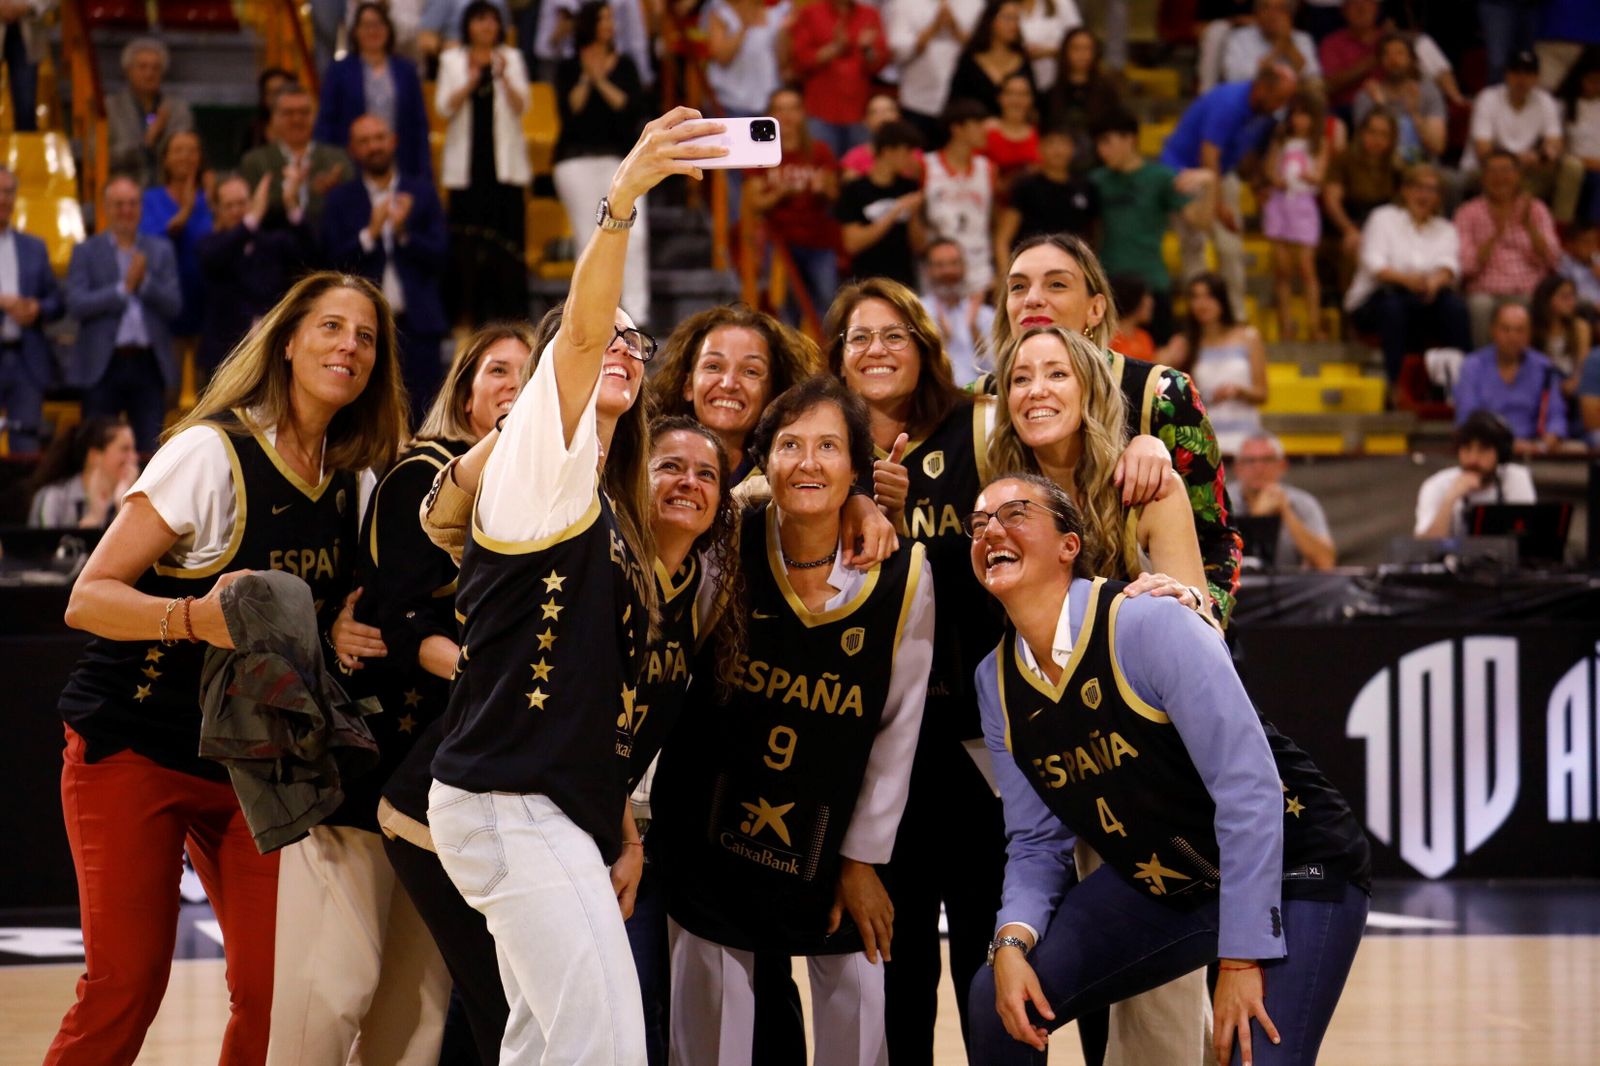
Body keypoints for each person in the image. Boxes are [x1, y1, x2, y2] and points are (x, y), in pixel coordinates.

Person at [423, 106, 725, 1066]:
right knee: (602, 1047)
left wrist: (615, 825)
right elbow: (584, 338)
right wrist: (620, 205)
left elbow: (601, 701)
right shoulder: (534, 462)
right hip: (508, 799)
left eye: (645, 342)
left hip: (551, 804)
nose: (626, 349)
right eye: (610, 339)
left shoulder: (603, 503)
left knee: (546, 1043)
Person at [45, 270, 407, 1066]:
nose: (349, 346)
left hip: (254, 766)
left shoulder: (359, 481)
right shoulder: (210, 454)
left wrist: (339, 622)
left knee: (280, 995)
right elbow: (88, 598)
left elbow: (320, 606)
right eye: (330, 327)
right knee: (127, 986)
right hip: (135, 745)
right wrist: (192, 619)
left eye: (367, 337)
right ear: (286, 342)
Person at [964, 471, 1370, 1066]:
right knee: (996, 1000)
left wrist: (1240, 958)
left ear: (1068, 546)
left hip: (1295, 863)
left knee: (1251, 1054)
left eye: (1015, 513)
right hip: (1172, 877)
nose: (990, 531)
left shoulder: (1148, 622)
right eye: (978, 524)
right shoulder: (994, 682)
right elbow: (1034, 843)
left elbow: (1250, 791)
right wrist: (1010, 942)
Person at [649, 374, 936, 1066]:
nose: (808, 462)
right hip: (711, 834)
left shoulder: (905, 575)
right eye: (790, 445)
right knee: (710, 1045)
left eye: (829, 447)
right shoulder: (725, 543)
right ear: (763, 459)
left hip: (835, 846)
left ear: (856, 467)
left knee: (856, 1036)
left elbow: (897, 731)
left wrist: (863, 858)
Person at [269, 324, 535, 1066]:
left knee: (420, 1008)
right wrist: (480, 672)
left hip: (452, 778)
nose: (513, 383)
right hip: (372, 762)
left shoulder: (547, 500)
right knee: (333, 989)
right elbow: (393, 611)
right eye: (496, 370)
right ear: (466, 388)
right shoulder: (427, 468)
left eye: (529, 371)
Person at [818, 277, 1003, 1064]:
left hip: (976, 739)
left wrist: (905, 530)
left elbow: (1001, 570)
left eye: (895, 334)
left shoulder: (979, 431)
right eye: (860, 337)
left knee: (990, 957)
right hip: (874, 747)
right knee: (896, 966)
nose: (877, 350)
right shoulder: (822, 449)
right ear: (837, 358)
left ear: (925, 348)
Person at [992, 234, 1243, 626]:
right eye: (1018, 286)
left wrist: (1203, 622)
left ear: (1096, 309)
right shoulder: (983, 403)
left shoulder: (1162, 394)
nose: (1032, 298)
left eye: (1056, 284)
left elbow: (1219, 540)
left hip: (1156, 645)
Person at [324, 113, 451, 418]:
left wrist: (405, 234)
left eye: (379, 138)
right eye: (364, 141)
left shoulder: (421, 192)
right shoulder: (341, 199)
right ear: (353, 149)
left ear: (393, 141)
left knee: (424, 414)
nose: (374, 147)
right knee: (364, 415)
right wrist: (370, 233)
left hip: (419, 325)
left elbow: (443, 255)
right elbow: (330, 264)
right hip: (366, 329)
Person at [1161, 62, 1299, 320]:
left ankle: (1235, 317)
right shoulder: (1229, 102)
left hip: (1221, 173)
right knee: (1195, 245)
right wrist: (1219, 206)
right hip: (1184, 173)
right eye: (1280, 98)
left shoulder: (1265, 113)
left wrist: (1258, 183)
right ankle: (1199, 319)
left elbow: (1243, 156)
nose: (1282, 105)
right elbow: (1209, 154)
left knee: (1231, 248)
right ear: (1263, 88)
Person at [65, 177, 182, 454]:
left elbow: (174, 305)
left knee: (150, 453)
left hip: (148, 365)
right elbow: (76, 304)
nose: (126, 211)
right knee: (97, 448)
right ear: (106, 207)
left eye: (132, 204)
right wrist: (122, 290)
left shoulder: (160, 250)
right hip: (102, 365)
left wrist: (144, 284)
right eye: (119, 205)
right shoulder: (86, 251)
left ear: (140, 208)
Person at [436, 0, 530, 328]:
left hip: (503, 167)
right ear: (468, 26)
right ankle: (467, 317)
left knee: (506, 242)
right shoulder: (451, 60)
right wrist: (470, 81)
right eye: (480, 21)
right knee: (466, 243)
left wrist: (503, 77)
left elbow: (523, 106)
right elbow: (444, 107)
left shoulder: (512, 58)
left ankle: (510, 318)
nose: (487, 27)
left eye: (492, 21)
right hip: (468, 166)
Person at [553, 2, 648, 324]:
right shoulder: (568, 66)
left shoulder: (626, 65)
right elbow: (571, 110)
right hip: (575, 160)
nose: (610, 23)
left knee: (635, 235)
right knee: (589, 237)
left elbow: (629, 108)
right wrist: (586, 78)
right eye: (603, 18)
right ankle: (592, 316)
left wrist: (600, 79)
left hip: (620, 160)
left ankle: (636, 314)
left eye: (611, 18)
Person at [645, 302, 820, 474]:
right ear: (688, 385)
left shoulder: (787, 481)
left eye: (750, 372)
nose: (729, 384)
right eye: (713, 366)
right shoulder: (643, 470)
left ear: (773, 394)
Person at [1344, 163, 1472, 384]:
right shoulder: (1383, 218)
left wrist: (1434, 282)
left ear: (1439, 197)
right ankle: (1396, 385)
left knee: (1455, 309)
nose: (1424, 195)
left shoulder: (1445, 229)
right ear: (1405, 190)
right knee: (1393, 308)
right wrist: (1407, 280)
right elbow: (1375, 264)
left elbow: (1449, 265)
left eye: (1432, 190)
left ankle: (1463, 384)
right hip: (1378, 298)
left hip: (1424, 297)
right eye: (1419, 188)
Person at [1091, 109, 1205, 347]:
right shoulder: (1096, 181)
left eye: (1108, 142)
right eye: (1099, 145)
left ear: (1130, 139)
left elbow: (1199, 221)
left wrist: (1211, 184)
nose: (1103, 151)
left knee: (1159, 366)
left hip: (1151, 283)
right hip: (1109, 284)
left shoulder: (1160, 177)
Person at [196, 174, 314, 373]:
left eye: (241, 203)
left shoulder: (275, 243)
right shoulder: (209, 246)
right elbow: (216, 258)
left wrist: (292, 205)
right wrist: (250, 221)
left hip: (272, 353)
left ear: (252, 202)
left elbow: (311, 255)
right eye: (229, 205)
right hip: (224, 358)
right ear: (216, 209)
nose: (236, 211)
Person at [744, 88, 842, 327]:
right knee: (785, 306)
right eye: (780, 109)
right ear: (770, 115)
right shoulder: (760, 153)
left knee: (829, 303)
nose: (787, 115)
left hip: (818, 239)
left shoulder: (820, 150)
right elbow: (756, 203)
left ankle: (828, 357)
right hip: (780, 241)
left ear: (802, 113)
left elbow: (834, 194)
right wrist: (782, 192)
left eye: (793, 108)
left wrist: (823, 189)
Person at [1455, 150, 1563, 346]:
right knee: (1479, 306)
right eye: (1493, 171)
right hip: (1484, 289)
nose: (1500, 178)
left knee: (1524, 305)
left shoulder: (1535, 208)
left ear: (1518, 175)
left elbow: (1554, 260)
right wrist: (1495, 233)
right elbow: (1465, 267)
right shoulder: (1467, 212)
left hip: (1526, 289)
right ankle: (1484, 367)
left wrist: (1530, 228)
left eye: (1506, 171)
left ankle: (1522, 369)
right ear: (1483, 177)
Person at [315, 2, 433, 180]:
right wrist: (326, 165)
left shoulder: (406, 70)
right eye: (366, 25)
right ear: (355, 31)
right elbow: (326, 122)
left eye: (378, 24)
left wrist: (424, 171)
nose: (373, 31)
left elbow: (419, 124)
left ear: (388, 29)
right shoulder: (339, 71)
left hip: (401, 162)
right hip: (350, 165)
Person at [1466, 49, 1581, 224]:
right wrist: (1518, 161)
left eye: (1528, 73)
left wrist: (1541, 155)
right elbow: (1483, 152)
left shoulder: (1545, 100)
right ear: (1506, 74)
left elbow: (1554, 145)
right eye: (1516, 72)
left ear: (1536, 77)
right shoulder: (1488, 98)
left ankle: (1560, 228)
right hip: (1488, 170)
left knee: (1572, 166)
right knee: (1504, 174)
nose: (1522, 79)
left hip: (1527, 171)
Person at [0, 165, 63, 453]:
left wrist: (37, 308)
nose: (4, 199)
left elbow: (57, 301)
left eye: (9, 192)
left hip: (26, 361)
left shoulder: (34, 247)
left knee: (26, 453)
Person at [239, 82, 352, 234]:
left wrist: (332, 192)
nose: (297, 120)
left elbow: (352, 203)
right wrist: (297, 192)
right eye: (289, 113)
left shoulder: (337, 158)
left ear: (314, 115)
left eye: (304, 112)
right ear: (274, 118)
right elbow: (253, 211)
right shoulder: (254, 161)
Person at [1453, 302, 1568, 451]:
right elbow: (1466, 418)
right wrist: (1502, 445)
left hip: (1532, 448)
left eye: (1520, 330)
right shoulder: (1472, 366)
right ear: (1492, 331)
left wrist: (1543, 445)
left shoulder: (1544, 367)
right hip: (1486, 449)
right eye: (1505, 329)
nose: (1512, 336)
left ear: (1529, 334)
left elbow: (1556, 415)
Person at [1262, 91, 1329, 341]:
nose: (1299, 121)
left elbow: (1320, 175)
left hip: (1303, 206)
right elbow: (1270, 169)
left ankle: (1313, 325)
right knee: (1282, 271)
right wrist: (1278, 179)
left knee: (1306, 269)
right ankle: (1286, 325)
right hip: (1280, 205)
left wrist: (1308, 177)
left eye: (1305, 115)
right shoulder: (1280, 141)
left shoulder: (1319, 143)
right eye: (1295, 115)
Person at [785, 0, 889, 158]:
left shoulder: (870, 15)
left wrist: (867, 49)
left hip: (858, 112)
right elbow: (800, 61)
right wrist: (835, 48)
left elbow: (878, 65)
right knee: (823, 170)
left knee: (859, 171)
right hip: (820, 111)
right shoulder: (811, 13)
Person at [138, 131, 211, 341]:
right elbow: (149, 245)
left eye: (192, 151)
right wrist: (185, 212)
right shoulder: (149, 200)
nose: (185, 157)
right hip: (162, 307)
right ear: (165, 159)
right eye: (178, 151)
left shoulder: (211, 200)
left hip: (204, 304)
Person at [1414, 410, 1535, 537]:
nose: (1473, 459)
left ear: (1500, 453)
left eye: (1483, 449)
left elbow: (1527, 538)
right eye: (1466, 448)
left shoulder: (1515, 478)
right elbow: (1424, 548)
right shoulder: (1436, 485)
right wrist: (1449, 500)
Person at [836, 120, 926, 290]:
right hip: (865, 282)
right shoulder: (855, 190)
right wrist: (894, 211)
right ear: (888, 151)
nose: (912, 158)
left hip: (904, 281)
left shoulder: (909, 187)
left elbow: (920, 246)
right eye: (907, 151)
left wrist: (913, 214)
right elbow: (852, 244)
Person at [996, 124, 1096, 275]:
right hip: (1031, 267)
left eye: (1063, 143)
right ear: (1039, 148)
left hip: (1072, 268)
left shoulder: (1085, 187)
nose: (1057, 150)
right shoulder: (1025, 186)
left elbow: (1094, 234)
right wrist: (1005, 275)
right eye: (1051, 143)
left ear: (1073, 149)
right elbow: (1003, 238)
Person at [1226, 432, 1336, 570]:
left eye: (1267, 460)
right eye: (1250, 461)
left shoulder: (1303, 503)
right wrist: (1258, 517)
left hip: (1289, 587)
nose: (1259, 468)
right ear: (1237, 468)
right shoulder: (1221, 502)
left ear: (1282, 466)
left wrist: (1286, 512)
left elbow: (1326, 562)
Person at [924, 100, 997, 298]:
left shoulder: (988, 168)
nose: (985, 131)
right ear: (957, 128)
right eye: (978, 125)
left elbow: (994, 220)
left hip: (979, 267)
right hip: (939, 267)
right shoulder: (926, 165)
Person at [887, 0, 985, 146]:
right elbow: (898, 52)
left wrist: (954, 27)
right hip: (917, 102)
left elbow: (984, 49)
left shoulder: (975, 3)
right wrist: (934, 27)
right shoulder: (904, 3)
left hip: (961, 103)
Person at [1322, 109, 1401, 281]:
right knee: (1356, 245)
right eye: (1372, 132)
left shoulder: (1397, 167)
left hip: (1383, 228)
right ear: (1361, 133)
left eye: (1383, 134)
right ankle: (1354, 304)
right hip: (1348, 225)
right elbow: (1332, 201)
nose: (1377, 140)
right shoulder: (1344, 160)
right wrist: (1349, 229)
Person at [106, 38, 194, 187]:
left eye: (155, 68)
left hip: (168, 191)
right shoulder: (110, 108)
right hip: (126, 192)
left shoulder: (178, 109)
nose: (149, 73)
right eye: (142, 67)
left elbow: (188, 154)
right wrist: (145, 143)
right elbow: (102, 158)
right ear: (128, 71)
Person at [27, 416, 140, 529]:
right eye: (125, 449)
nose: (134, 457)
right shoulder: (54, 498)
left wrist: (124, 507)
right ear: (95, 456)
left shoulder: (133, 501)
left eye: (134, 449)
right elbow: (44, 545)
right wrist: (95, 518)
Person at [1352, 33, 1446, 164]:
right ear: (1380, 61)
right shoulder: (1366, 96)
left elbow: (1437, 146)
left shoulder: (1428, 92)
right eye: (1387, 54)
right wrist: (1380, 107)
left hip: (1423, 170)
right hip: (1382, 168)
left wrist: (1415, 113)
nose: (1393, 60)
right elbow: (1364, 148)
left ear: (1412, 59)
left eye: (1400, 53)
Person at [1043, 27, 1120, 171]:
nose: (1082, 55)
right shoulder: (1050, 94)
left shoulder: (1107, 93)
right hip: (1059, 168)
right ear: (1065, 52)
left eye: (1087, 49)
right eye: (1076, 48)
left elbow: (1114, 132)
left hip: (1099, 167)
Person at [923, 237, 998, 386]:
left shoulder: (985, 315)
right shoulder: (917, 311)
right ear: (927, 271)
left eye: (954, 263)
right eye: (940, 265)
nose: (948, 271)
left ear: (964, 267)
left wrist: (973, 329)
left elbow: (994, 371)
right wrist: (942, 342)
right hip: (935, 398)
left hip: (978, 399)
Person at [702, 0, 788, 120]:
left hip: (768, 102)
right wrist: (744, 27)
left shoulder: (776, 13)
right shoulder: (721, 12)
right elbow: (722, 57)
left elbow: (782, 61)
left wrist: (783, 32)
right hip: (730, 103)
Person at [948, 0, 1035, 118]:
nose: (1014, 24)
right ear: (991, 20)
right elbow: (955, 103)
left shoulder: (1023, 61)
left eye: (1017, 19)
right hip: (976, 130)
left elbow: (1034, 105)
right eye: (1008, 18)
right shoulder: (970, 60)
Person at [1220, 0, 1322, 88]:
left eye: (1280, 9)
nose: (1272, 14)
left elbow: (1313, 77)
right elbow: (1233, 77)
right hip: (1253, 101)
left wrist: (1288, 45)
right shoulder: (1239, 37)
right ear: (1256, 13)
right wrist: (1277, 50)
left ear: (1289, 15)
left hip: (1294, 101)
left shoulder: (1302, 38)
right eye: (1266, 8)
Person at [1530, 273, 1592, 403]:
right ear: (1547, 299)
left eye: (1572, 296)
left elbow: (1582, 365)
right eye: (1564, 297)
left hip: (1571, 382)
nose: (1571, 302)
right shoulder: (1532, 328)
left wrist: (1574, 382)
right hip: (1542, 382)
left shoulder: (1580, 327)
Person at [1318, 0, 1382, 115]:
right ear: (1344, 11)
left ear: (1376, 8)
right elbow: (1330, 84)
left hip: (1386, 106)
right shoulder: (1332, 42)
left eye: (1367, 3)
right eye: (1354, 4)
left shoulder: (1388, 39)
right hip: (1346, 109)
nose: (1361, 8)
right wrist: (1371, 61)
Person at [1559, 48, 1600, 224]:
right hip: (1576, 167)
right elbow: (1558, 148)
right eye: (1591, 80)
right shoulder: (1562, 106)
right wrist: (1587, 162)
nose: (1595, 86)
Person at [984, 74, 1043, 191]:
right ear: (1000, 98)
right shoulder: (985, 132)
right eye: (1010, 93)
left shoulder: (1041, 134)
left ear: (1031, 99)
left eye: (1023, 94)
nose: (1016, 100)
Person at [1014, 0, 1080, 91]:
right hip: (1016, 83)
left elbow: (1077, 39)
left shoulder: (1061, 3)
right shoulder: (1005, 5)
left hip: (1057, 81)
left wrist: (1049, 52)